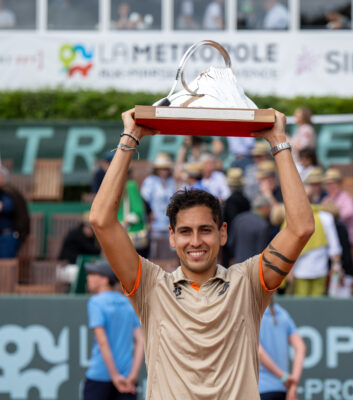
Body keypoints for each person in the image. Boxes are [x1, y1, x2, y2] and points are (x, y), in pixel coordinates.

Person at [89, 108, 314, 398]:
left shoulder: (248, 282)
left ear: (222, 233)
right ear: (171, 237)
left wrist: (279, 143)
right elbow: (101, 221)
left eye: (205, 230)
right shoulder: (150, 285)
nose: (195, 241)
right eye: (185, 231)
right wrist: (130, 137)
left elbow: (301, 228)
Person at [84, 261, 144, 399]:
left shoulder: (96, 302)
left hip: (100, 377)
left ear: (105, 280)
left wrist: (115, 376)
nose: (89, 277)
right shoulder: (128, 302)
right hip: (128, 378)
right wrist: (133, 375)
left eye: (93, 274)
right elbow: (141, 341)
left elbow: (103, 341)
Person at [292, 171, 341, 296]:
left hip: (312, 271)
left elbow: (334, 247)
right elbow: (335, 247)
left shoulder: (324, 217)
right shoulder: (326, 217)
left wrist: (336, 267)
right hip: (307, 271)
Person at [258, 298, 306, 400]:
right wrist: (293, 384)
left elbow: (259, 352)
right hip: (282, 390)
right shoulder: (283, 314)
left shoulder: (253, 315)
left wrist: (284, 378)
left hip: (260, 390)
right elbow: (300, 347)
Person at [140, 153, 177, 260]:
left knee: (170, 251)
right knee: (155, 252)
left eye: (166, 168)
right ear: (157, 169)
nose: (164, 170)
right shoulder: (150, 181)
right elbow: (144, 199)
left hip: (168, 221)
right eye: (162, 168)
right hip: (155, 221)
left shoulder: (172, 181)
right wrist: (149, 214)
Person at [0, 167, 29, 258]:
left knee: (6, 269)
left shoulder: (6, 192)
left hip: (7, 238)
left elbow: (7, 207)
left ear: (0, 177)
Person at [228, 195, 272, 265]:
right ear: (263, 208)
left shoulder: (239, 219)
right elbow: (261, 251)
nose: (270, 211)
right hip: (252, 268)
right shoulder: (263, 224)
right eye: (269, 208)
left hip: (236, 265)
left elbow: (230, 243)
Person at [322, 168, 353, 244]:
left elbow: (350, 212)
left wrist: (334, 214)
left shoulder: (346, 197)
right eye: (328, 184)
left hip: (344, 239)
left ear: (339, 184)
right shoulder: (326, 199)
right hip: (329, 240)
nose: (331, 186)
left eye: (334, 183)